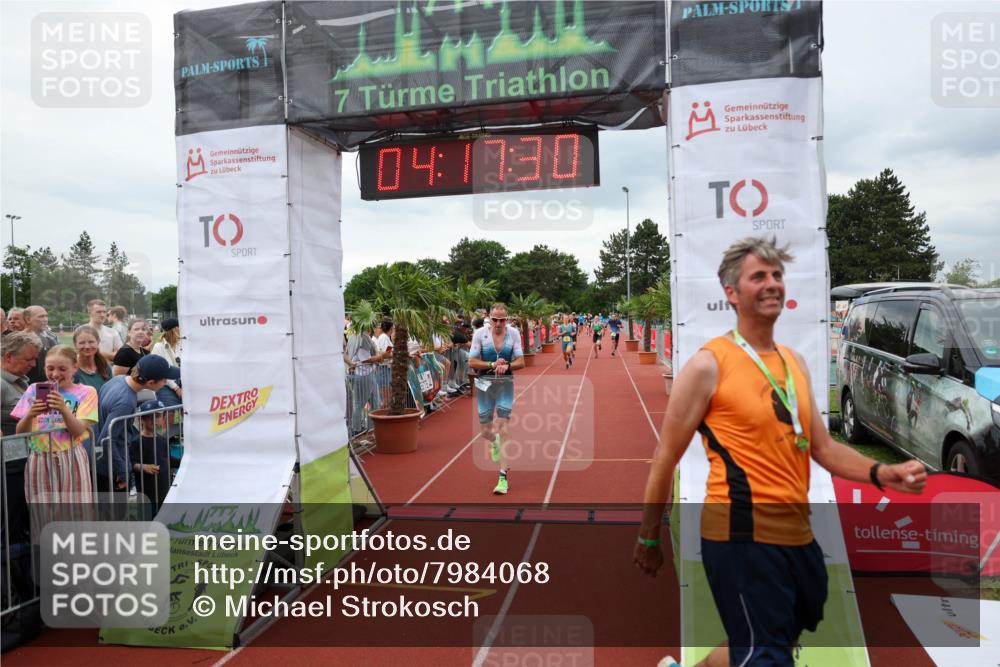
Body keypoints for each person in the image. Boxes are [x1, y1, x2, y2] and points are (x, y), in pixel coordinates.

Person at [633, 237, 927, 667]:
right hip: (739, 536)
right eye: (758, 277)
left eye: (776, 275)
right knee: (765, 656)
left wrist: (883, 473)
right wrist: (648, 536)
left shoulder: (794, 363)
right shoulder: (708, 365)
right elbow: (665, 458)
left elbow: (824, 449)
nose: (772, 284)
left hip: (797, 535)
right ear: (731, 293)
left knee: (768, 640)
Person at [13, 345, 98, 507]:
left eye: (62, 369)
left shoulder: (87, 392)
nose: (55, 374)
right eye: (50, 368)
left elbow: (78, 430)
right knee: (43, 512)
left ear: (75, 367)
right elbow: (20, 432)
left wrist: (63, 408)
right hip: (39, 458)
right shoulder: (33, 390)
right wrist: (31, 414)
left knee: (76, 510)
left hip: (71, 457)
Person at [96, 355, 178, 494]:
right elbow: (107, 441)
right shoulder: (126, 401)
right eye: (164, 380)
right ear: (151, 383)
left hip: (105, 463)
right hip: (111, 469)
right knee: (113, 514)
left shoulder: (118, 379)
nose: (165, 383)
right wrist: (123, 472)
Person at [468, 303, 524, 495]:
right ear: (489, 318)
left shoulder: (513, 334)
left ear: (507, 319)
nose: (499, 323)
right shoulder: (479, 334)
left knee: (503, 428)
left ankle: (502, 478)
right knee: (485, 431)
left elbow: (521, 361)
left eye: (502, 319)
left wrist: (507, 366)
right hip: (484, 384)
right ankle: (495, 442)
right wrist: (492, 363)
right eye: (495, 319)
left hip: (505, 385)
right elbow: (472, 361)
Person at [128, 399, 171, 514]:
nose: (153, 420)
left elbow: (169, 460)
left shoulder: (163, 440)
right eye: (148, 416)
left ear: (163, 418)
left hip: (164, 489)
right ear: (141, 418)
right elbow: (131, 463)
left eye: (157, 416)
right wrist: (143, 466)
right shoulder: (136, 441)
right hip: (146, 493)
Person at [150, 317, 183, 417]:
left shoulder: (182, 343)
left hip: (182, 382)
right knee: (169, 415)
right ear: (175, 329)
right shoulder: (158, 346)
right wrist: (176, 388)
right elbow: (161, 370)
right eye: (179, 327)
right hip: (165, 385)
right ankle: (168, 432)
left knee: (187, 413)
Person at [22, 306, 59, 384]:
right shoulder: (19, 341)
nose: (45, 319)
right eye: (41, 316)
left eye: (46, 316)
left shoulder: (50, 340)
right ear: (28, 319)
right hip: (26, 389)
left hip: (48, 387)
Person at [72, 325, 112, 394]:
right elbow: (69, 401)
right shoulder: (71, 371)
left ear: (98, 342)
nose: (87, 346)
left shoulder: (105, 367)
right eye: (82, 343)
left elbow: (111, 394)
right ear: (75, 345)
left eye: (91, 342)